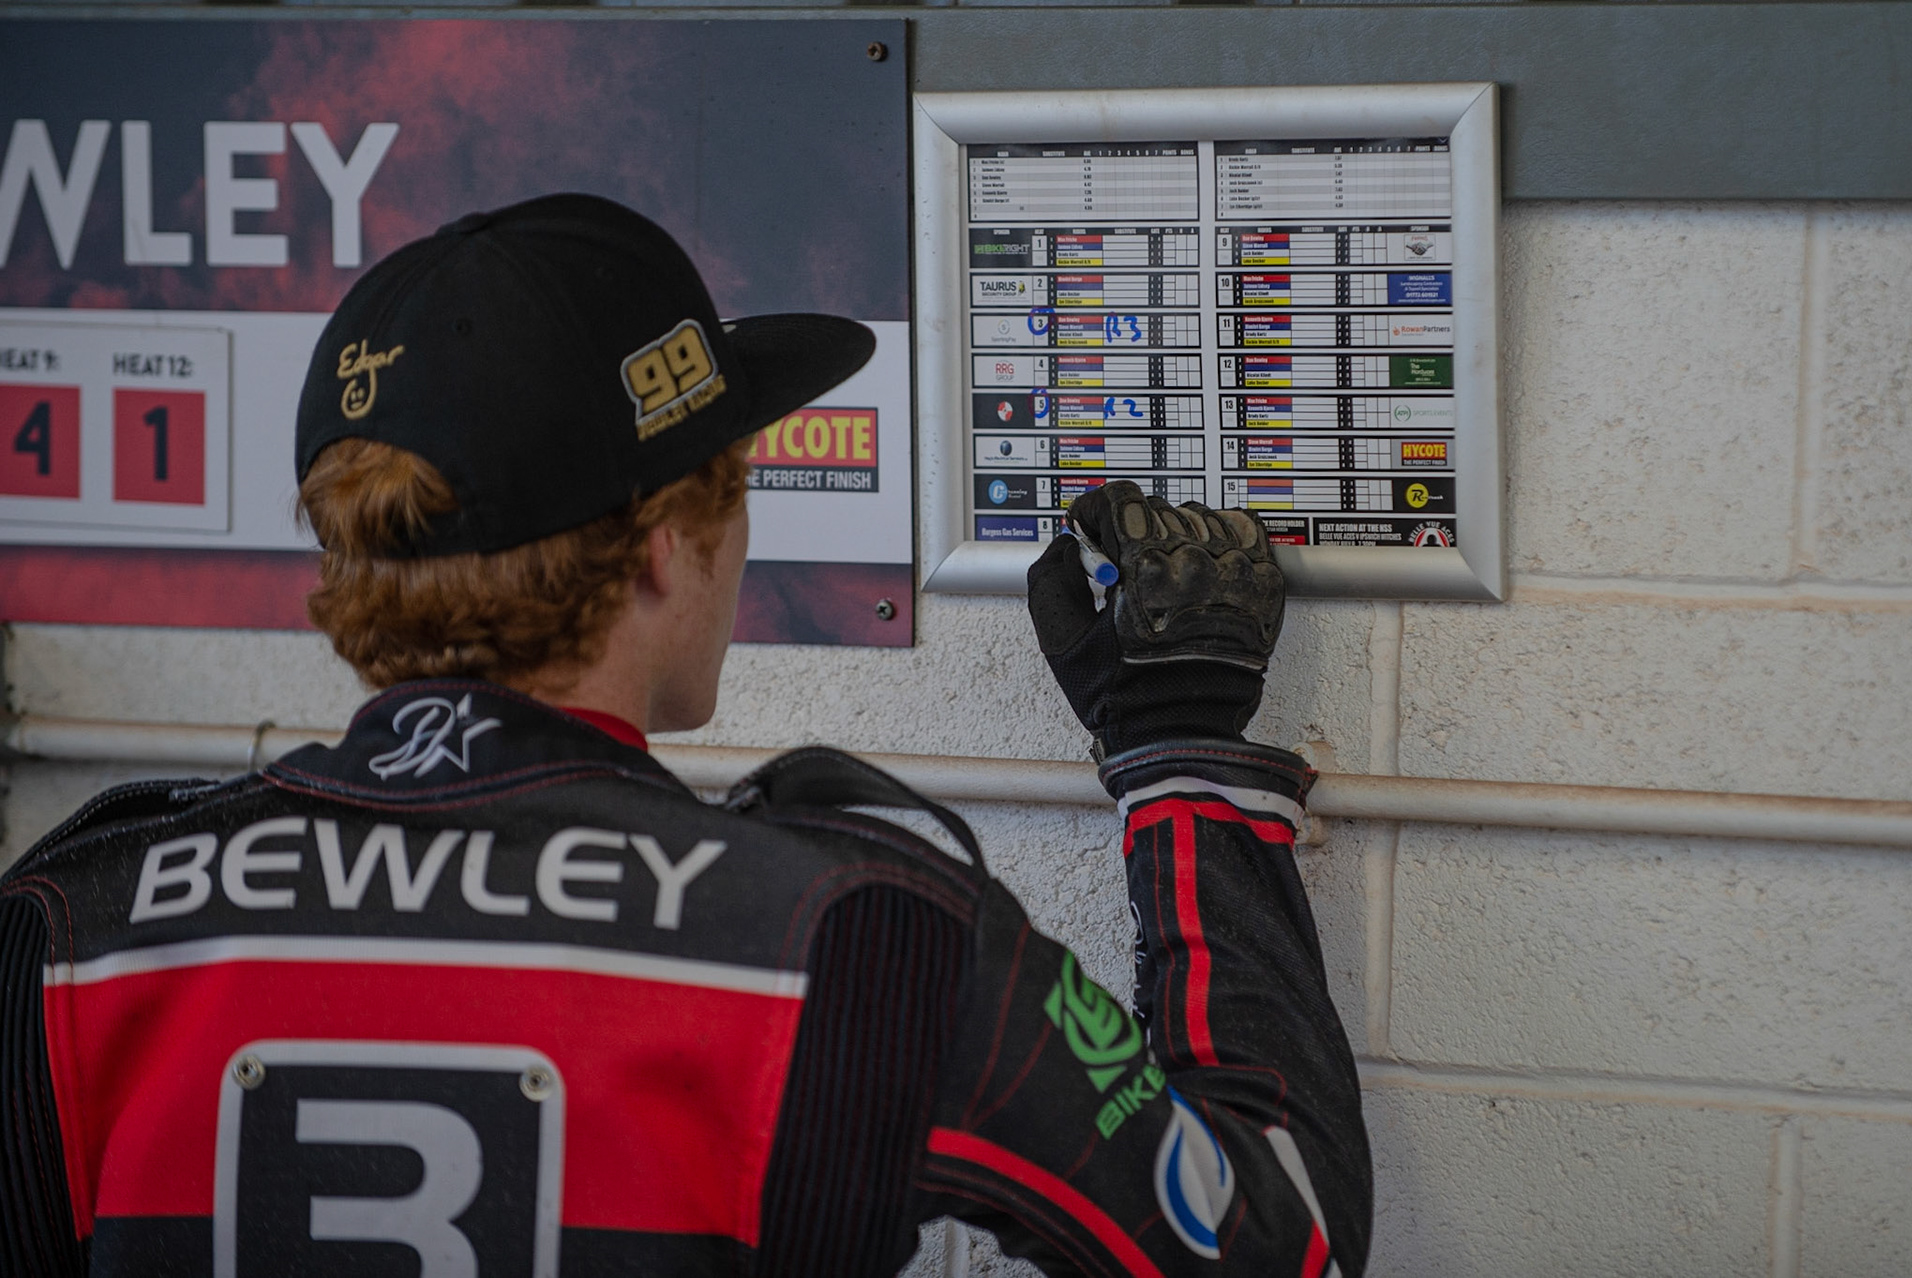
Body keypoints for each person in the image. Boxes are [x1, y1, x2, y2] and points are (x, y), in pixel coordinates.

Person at [0, 193, 1371, 1276]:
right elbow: (1279, 1233)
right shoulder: (857, 938)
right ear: (666, 550)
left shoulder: (65, 928)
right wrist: (1179, 750)